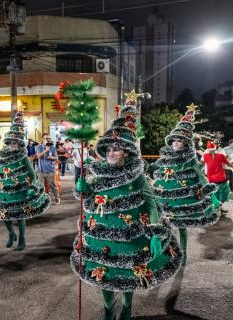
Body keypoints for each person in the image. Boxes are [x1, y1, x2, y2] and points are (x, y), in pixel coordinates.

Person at [72, 100, 182, 320]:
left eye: (118, 149)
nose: (112, 153)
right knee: (104, 274)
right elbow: (89, 197)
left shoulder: (137, 175)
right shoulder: (98, 171)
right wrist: (82, 187)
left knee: (128, 272)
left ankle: (127, 307)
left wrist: (153, 230)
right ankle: (108, 308)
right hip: (99, 234)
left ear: (128, 152)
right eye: (110, 148)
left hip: (132, 235)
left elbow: (151, 202)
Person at [153, 110, 220, 266]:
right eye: (174, 140)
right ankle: (166, 253)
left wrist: (212, 196)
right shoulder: (166, 158)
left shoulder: (191, 160)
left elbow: (201, 177)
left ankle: (183, 253)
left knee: (182, 227)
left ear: (186, 143)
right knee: (164, 227)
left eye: (179, 141)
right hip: (165, 199)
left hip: (184, 201)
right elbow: (157, 173)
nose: (176, 143)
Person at [0, 111, 51, 250]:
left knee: (20, 216)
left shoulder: (24, 158)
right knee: (4, 215)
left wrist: (32, 187)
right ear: (8, 143)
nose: (13, 145)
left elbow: (32, 174)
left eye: (16, 143)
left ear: (20, 144)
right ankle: (11, 234)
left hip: (20, 192)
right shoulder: (3, 159)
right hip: (4, 193)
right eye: (11, 143)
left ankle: (22, 238)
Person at [203, 141, 233, 213]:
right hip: (221, 178)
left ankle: (217, 207)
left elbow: (200, 164)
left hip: (210, 178)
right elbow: (229, 164)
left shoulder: (205, 155)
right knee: (225, 191)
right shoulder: (221, 155)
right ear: (215, 148)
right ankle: (219, 206)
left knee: (214, 193)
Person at [35, 133, 60, 204]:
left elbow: (56, 158)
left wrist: (52, 158)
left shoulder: (52, 147)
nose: (48, 140)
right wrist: (46, 150)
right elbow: (38, 156)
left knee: (53, 185)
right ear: (42, 139)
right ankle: (42, 201)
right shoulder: (39, 147)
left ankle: (57, 199)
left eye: (49, 138)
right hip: (41, 171)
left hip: (50, 171)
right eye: (46, 138)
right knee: (41, 186)